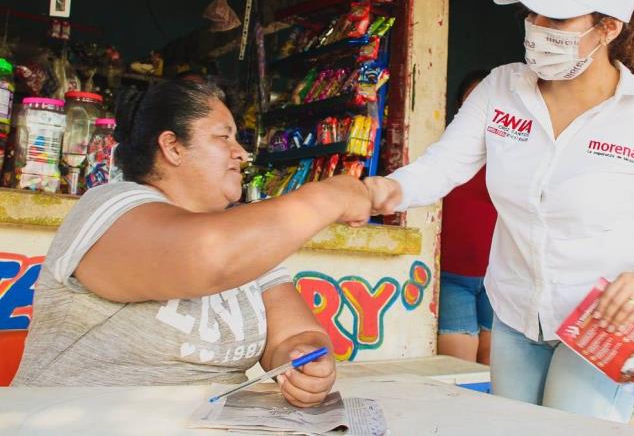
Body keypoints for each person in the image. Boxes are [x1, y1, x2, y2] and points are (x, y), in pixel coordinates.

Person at [363, 0, 634, 422]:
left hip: (601, 323)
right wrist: (386, 189)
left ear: (608, 28)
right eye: (533, 13)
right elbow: (443, 165)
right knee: (512, 428)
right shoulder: (501, 89)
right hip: (512, 315)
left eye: (557, 18)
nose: (536, 28)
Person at [13, 80, 371, 409]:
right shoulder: (109, 207)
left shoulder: (244, 235)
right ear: (172, 147)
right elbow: (210, 257)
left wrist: (303, 359)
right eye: (224, 137)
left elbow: (295, 333)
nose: (241, 154)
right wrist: (330, 197)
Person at [438, 70, 497, 365]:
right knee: (457, 372)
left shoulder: (516, 154)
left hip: (498, 279)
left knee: (492, 371)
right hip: (451, 278)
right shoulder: (443, 152)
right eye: (469, 103)